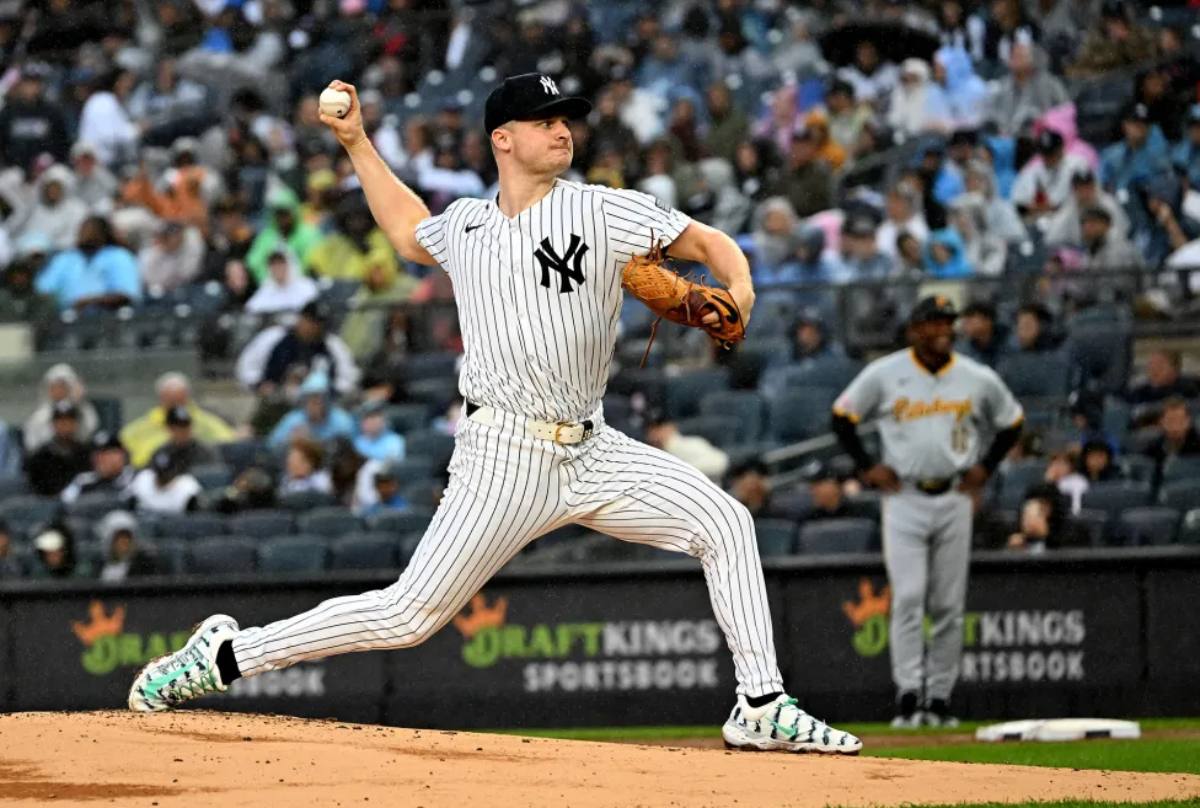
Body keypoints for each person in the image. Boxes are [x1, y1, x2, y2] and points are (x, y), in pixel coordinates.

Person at [129, 73, 863, 755]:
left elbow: (706, 243)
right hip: (502, 454)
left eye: (565, 119)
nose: (562, 131)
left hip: (592, 447)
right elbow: (405, 230)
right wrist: (356, 142)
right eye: (542, 121)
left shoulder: (601, 208)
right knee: (407, 617)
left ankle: (761, 703)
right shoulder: (468, 226)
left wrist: (741, 289)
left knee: (725, 522)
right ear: (501, 140)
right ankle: (223, 656)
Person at [832, 296, 1024, 728]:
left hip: (955, 495)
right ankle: (908, 695)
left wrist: (986, 468)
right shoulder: (886, 372)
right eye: (933, 322)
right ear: (914, 329)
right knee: (911, 596)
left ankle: (938, 699)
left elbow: (1012, 422)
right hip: (904, 497)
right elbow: (842, 417)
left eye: (947, 322)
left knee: (948, 604)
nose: (943, 329)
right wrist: (867, 467)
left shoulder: (975, 377)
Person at [236, 301, 361, 398]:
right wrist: (258, 385)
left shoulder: (332, 344)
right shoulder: (275, 336)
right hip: (275, 399)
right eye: (310, 321)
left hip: (318, 405)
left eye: (318, 323)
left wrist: (332, 393)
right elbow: (246, 366)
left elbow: (349, 375)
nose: (314, 327)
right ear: (301, 319)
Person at [121, 372, 237, 468]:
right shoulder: (143, 426)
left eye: (180, 401)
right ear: (161, 399)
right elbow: (124, 442)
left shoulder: (205, 422)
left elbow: (227, 440)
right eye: (171, 401)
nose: (176, 406)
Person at [34, 215, 142, 311]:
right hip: (66, 318)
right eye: (83, 230)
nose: (85, 235)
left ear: (103, 234)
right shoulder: (66, 258)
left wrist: (88, 302)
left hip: (108, 320)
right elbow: (44, 290)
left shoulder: (119, 256)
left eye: (90, 230)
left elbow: (126, 296)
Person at [267, 371, 357, 451]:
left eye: (319, 399)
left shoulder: (342, 421)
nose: (314, 404)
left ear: (327, 401)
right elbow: (271, 445)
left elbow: (353, 450)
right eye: (310, 399)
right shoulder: (293, 420)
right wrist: (289, 441)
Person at [23, 363, 100, 451]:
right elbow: (32, 444)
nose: (58, 391)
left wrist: (79, 403)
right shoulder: (39, 417)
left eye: (62, 386)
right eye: (54, 387)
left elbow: (88, 432)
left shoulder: (83, 411)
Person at [25, 401, 92, 497]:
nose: (65, 425)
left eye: (69, 421)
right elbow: (34, 489)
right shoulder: (40, 455)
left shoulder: (86, 453)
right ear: (53, 424)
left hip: (81, 506)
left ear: (76, 424)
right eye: (60, 421)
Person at [643, 413, 730, 483]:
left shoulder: (689, 443)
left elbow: (721, 461)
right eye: (651, 429)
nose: (654, 433)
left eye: (659, 427)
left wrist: (680, 471)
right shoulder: (653, 453)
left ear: (671, 427)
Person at [1006, 483, 1091, 552]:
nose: (1036, 511)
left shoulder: (1075, 531)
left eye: (1043, 505)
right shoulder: (1015, 531)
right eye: (1031, 506)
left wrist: (1046, 536)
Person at [61, 430, 135, 505]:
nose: (100, 458)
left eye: (107, 453)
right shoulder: (82, 481)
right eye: (96, 453)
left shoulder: (137, 479)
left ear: (122, 455)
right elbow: (64, 505)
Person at [128, 447, 202, 515]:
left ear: (175, 470)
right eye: (160, 472)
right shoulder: (143, 478)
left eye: (166, 472)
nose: (163, 476)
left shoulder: (186, 485)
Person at [243, 249, 318, 315]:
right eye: (273, 264)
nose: (277, 268)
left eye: (281, 263)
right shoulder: (266, 289)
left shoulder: (306, 286)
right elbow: (250, 310)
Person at [1145, 398, 1200, 488]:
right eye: (1171, 421)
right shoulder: (1153, 449)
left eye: (1180, 421)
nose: (1175, 427)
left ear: (1188, 422)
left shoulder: (1197, 447)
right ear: (1161, 423)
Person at [95, 511, 158, 581]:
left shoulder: (145, 568)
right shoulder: (97, 568)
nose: (125, 543)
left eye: (128, 538)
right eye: (119, 539)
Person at [1126, 350, 1199, 406]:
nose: (1154, 371)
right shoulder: (1139, 392)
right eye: (1151, 366)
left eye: (1160, 366)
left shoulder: (1188, 389)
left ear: (1174, 369)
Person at [955, 301, 1008, 368]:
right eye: (965, 319)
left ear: (988, 321)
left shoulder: (1010, 347)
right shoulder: (962, 350)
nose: (965, 323)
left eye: (971, 317)